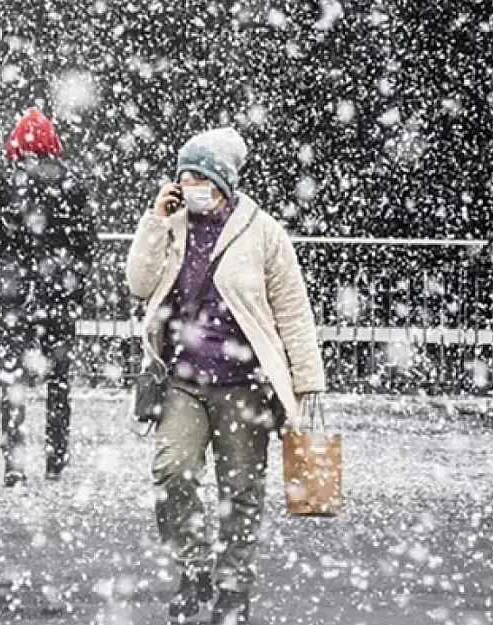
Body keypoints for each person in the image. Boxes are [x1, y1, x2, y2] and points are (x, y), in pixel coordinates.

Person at [124, 127, 326, 623]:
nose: (190, 185)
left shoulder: (263, 233)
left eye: (199, 176)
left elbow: (293, 311)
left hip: (244, 385)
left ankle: (233, 587)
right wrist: (154, 219)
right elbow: (138, 281)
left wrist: (307, 383)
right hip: (183, 379)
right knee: (171, 472)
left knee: (240, 489)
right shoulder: (171, 225)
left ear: (223, 180)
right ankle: (193, 569)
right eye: (183, 176)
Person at [0, 107, 97, 486]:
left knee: (12, 377)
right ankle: (55, 458)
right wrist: (75, 286)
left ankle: (14, 460)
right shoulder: (72, 184)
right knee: (58, 380)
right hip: (58, 293)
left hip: (16, 294)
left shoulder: (1, 185)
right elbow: (85, 245)